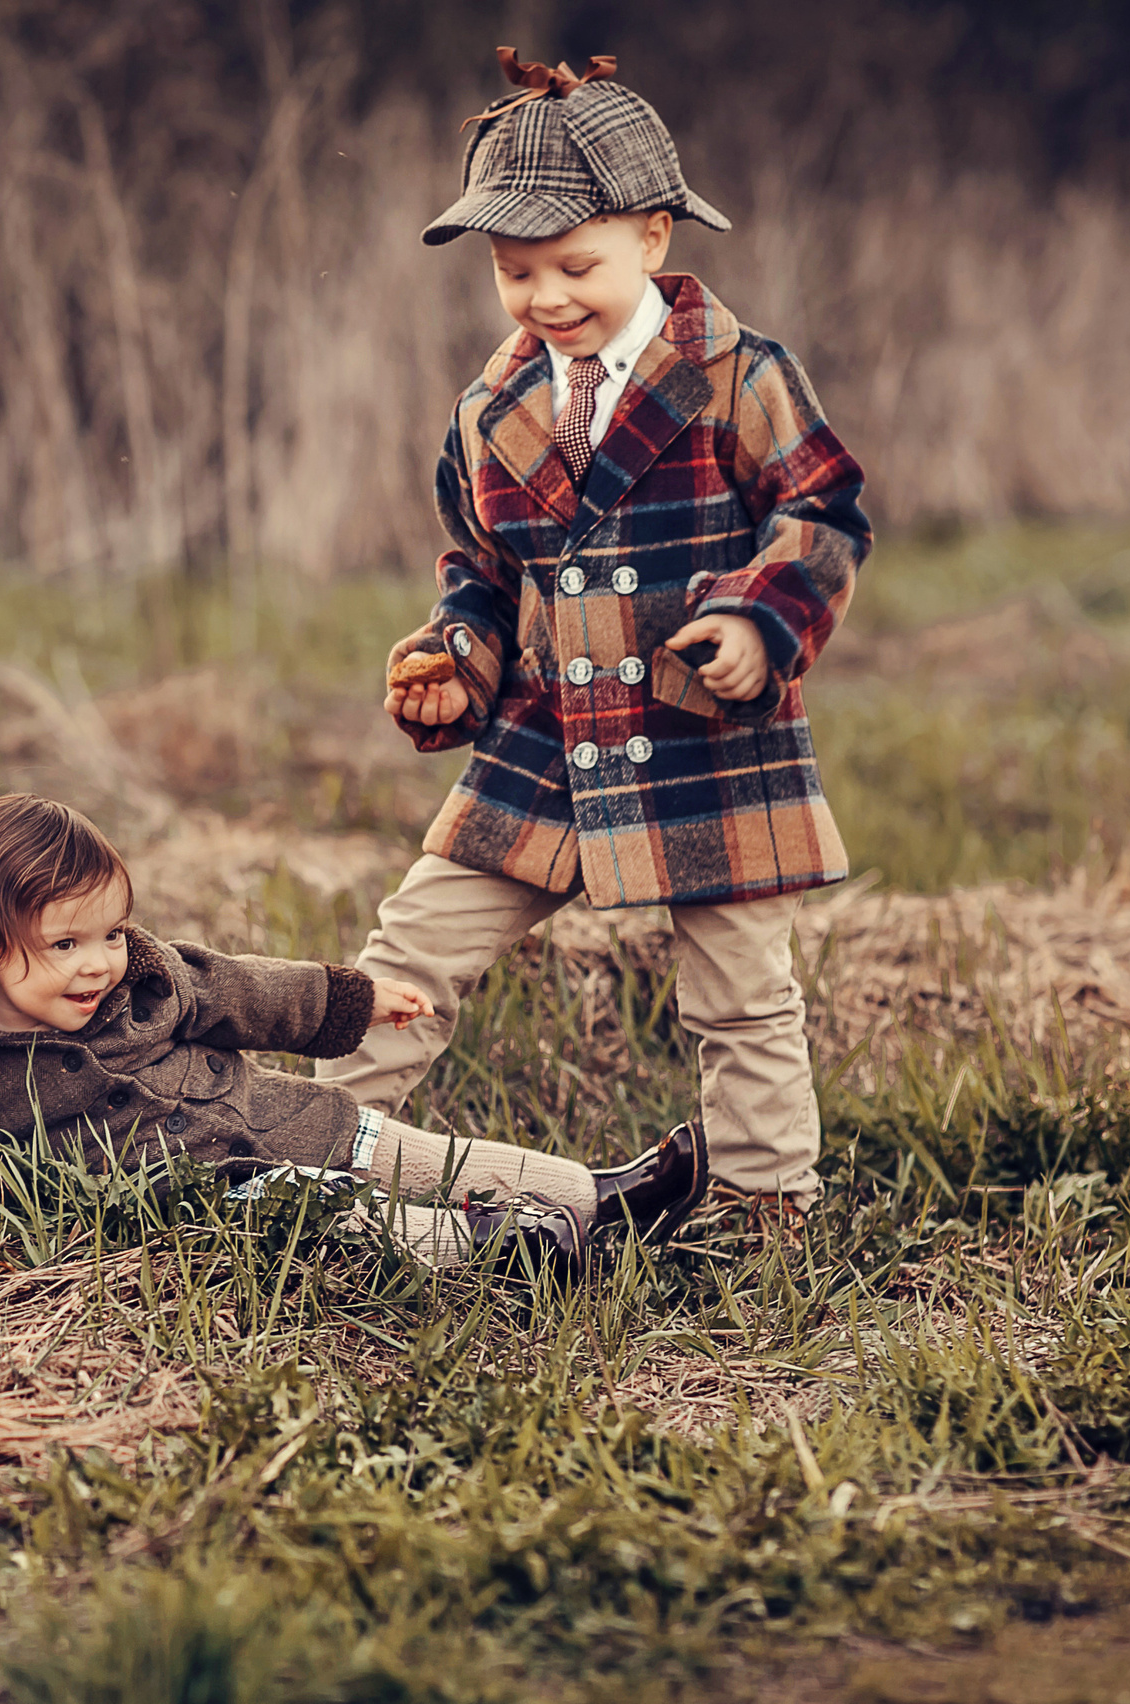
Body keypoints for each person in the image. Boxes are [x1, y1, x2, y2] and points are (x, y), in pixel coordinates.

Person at [321, 50, 871, 1238]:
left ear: (653, 241)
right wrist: (453, 662)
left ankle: (764, 1201)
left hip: (700, 729)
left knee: (739, 992)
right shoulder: (488, 410)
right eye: (516, 271)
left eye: (575, 264)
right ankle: (321, 1160)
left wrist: (752, 621)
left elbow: (819, 512)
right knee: (411, 947)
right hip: (546, 739)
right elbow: (477, 572)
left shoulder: (738, 376)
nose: (546, 295)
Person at [0, 794, 708, 1272]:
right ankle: (503, 1251)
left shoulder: (146, 977)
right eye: (65, 945)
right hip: (199, 1195)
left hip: (285, 1113)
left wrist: (355, 1000)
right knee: (339, 1212)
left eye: (109, 933)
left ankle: (602, 1199)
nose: (98, 964)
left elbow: (247, 992)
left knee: (424, 1155)